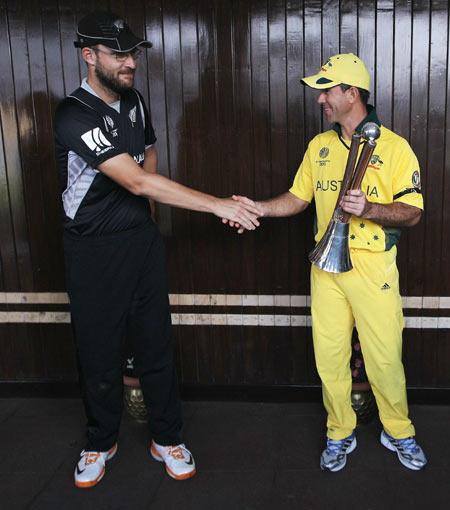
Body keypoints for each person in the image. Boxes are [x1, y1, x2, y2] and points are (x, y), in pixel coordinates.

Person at [54, 11, 262, 488]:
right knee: (99, 353)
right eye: (118, 54)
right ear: (89, 56)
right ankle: (99, 441)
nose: (130, 63)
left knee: (156, 345)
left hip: (141, 244)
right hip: (91, 250)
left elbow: (148, 152)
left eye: (133, 53)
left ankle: (166, 438)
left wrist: (145, 207)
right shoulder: (73, 113)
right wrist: (216, 205)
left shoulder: (135, 101)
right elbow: (136, 177)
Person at [229, 53, 427, 472]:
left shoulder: (394, 148)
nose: (320, 99)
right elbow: (298, 199)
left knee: (385, 357)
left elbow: (413, 211)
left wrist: (371, 208)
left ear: (351, 93)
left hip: (373, 269)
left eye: (326, 90)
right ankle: (339, 431)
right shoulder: (318, 147)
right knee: (330, 357)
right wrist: (259, 208)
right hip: (326, 270)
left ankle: (399, 430)